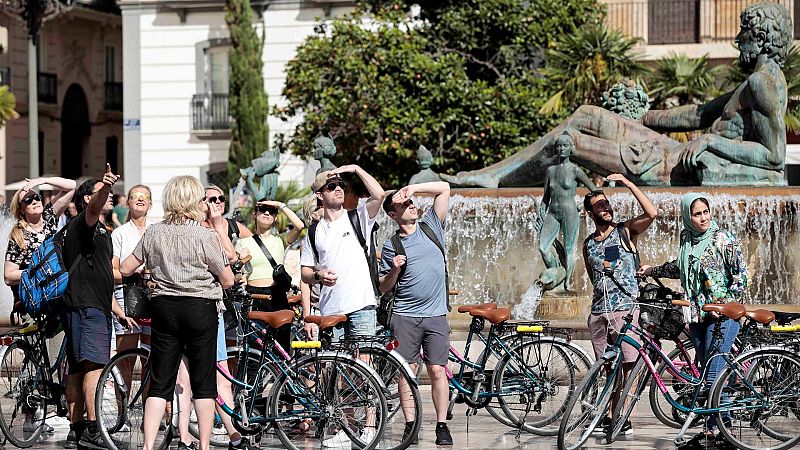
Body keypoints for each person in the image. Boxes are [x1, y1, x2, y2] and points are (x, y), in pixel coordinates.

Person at [443, 3, 792, 188]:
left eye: (743, 32)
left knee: (568, 141)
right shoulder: (753, 82)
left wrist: (710, 144)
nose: (737, 41)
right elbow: (695, 115)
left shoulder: (764, 85)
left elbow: (774, 156)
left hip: (670, 168)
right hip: (671, 152)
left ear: (760, 37)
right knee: (586, 114)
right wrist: (640, 119)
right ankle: (493, 173)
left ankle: (496, 180)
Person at [121, 175, 235, 450]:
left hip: (165, 309)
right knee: (203, 382)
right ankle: (204, 445)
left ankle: (148, 446)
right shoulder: (205, 235)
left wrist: (154, 270)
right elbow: (228, 279)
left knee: (160, 382)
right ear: (193, 201)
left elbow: (125, 268)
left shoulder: (153, 232)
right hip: (200, 309)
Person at [639, 194, 747, 449]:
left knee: (713, 374)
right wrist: (653, 270)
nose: (703, 218)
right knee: (710, 372)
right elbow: (682, 267)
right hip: (697, 316)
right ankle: (718, 427)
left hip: (722, 315)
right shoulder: (687, 239)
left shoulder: (723, 239)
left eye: (706, 212)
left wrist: (727, 304)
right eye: (697, 214)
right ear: (688, 216)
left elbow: (740, 275)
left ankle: (719, 430)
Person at [299, 166, 384, 447]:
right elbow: (305, 274)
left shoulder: (357, 218)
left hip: (361, 304)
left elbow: (379, 194)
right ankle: (347, 430)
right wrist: (318, 278)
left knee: (365, 367)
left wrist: (355, 169)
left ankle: (369, 427)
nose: (338, 188)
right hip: (331, 311)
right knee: (336, 373)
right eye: (331, 186)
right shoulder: (313, 232)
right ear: (320, 195)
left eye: (340, 185)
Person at [60, 167, 138, 449]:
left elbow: (102, 277)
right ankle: (92, 430)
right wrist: (104, 185)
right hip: (86, 306)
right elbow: (94, 206)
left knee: (79, 368)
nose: (108, 198)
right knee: (93, 366)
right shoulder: (84, 222)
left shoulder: (101, 232)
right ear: (86, 200)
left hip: (92, 305)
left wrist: (117, 310)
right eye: (101, 194)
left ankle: (76, 430)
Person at [581, 173, 657, 436]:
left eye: (607, 204)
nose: (606, 208)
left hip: (626, 309)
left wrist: (629, 184)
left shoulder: (625, 231)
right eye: (600, 206)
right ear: (590, 213)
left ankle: (622, 416)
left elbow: (652, 213)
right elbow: (594, 277)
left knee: (628, 364)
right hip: (599, 312)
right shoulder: (588, 244)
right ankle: (612, 413)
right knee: (608, 367)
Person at [378, 181, 453, 446]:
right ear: (392, 215)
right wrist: (395, 270)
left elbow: (444, 188)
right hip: (405, 316)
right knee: (406, 371)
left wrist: (414, 188)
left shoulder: (431, 226)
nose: (411, 205)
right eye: (403, 205)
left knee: (437, 370)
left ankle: (442, 425)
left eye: (411, 202)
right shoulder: (391, 244)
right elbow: (383, 286)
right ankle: (411, 425)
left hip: (436, 315)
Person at [3, 176, 75, 435]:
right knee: (36, 359)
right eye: (27, 199)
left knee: (54, 357)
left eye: (35, 197)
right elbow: (8, 274)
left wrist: (39, 181)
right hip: (31, 303)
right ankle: (34, 411)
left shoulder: (51, 219)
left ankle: (47, 408)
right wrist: (35, 271)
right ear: (20, 208)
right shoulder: (18, 235)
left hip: (56, 300)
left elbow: (70, 186)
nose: (33, 201)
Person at [235, 197, 304, 350]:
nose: (266, 212)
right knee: (255, 350)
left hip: (278, 295)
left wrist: (280, 204)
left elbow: (299, 226)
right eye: (262, 209)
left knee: (281, 348)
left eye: (271, 211)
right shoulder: (243, 243)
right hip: (255, 297)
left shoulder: (280, 240)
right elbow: (237, 275)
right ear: (254, 214)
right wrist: (240, 266)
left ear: (275, 217)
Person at [538, 131, 596, 290]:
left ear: (571, 148)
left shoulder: (575, 170)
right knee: (543, 247)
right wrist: (541, 211)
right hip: (552, 212)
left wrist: (582, 206)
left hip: (570, 211)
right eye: (559, 146)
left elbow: (594, 190)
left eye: (565, 146)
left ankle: (567, 282)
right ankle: (557, 271)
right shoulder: (550, 170)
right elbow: (546, 196)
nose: (561, 149)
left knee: (570, 249)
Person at [111, 186, 154, 354]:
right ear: (127, 203)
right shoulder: (119, 233)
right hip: (125, 294)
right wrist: (135, 275)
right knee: (126, 355)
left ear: (150, 204)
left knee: (151, 356)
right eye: (135, 196)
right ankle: (124, 382)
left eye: (145, 196)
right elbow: (112, 271)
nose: (140, 199)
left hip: (153, 295)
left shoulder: (157, 230)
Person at [300, 196, 323, 340]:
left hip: (342, 307)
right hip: (319, 308)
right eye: (320, 207)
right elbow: (304, 281)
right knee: (316, 359)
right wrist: (307, 317)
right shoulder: (308, 240)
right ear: (312, 214)